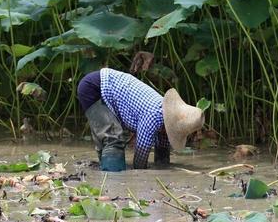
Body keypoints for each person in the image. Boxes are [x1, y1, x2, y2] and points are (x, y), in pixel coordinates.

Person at [76, 68, 204, 171]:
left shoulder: (165, 120)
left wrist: (164, 169)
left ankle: (106, 169)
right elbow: (140, 157)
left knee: (108, 138)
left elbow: (163, 152)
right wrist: (140, 177)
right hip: (94, 88)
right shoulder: (154, 115)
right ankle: (111, 179)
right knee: (113, 139)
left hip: (103, 86)